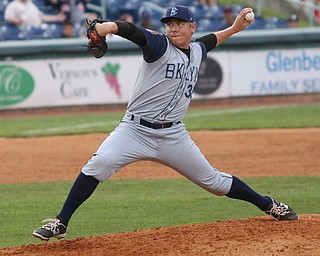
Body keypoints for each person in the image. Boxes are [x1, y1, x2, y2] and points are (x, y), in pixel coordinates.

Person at [32, 5, 298, 241]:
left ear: (191, 27)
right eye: (170, 24)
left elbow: (211, 40)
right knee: (98, 164)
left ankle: (268, 204)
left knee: (215, 183)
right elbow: (133, 31)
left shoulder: (197, 50)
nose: (173, 28)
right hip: (134, 130)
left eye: (179, 24)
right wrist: (108, 27)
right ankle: (60, 222)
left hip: (174, 136)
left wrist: (234, 28)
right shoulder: (159, 45)